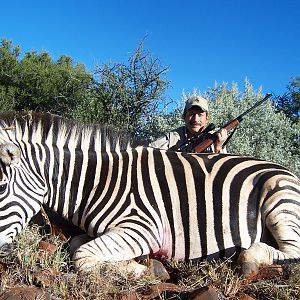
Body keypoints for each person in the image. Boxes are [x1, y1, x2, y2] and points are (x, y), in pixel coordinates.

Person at [149, 95, 228, 153]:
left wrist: (218, 148)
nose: (195, 119)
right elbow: (149, 151)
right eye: (191, 114)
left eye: (200, 115)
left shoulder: (216, 138)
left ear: (207, 118)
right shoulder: (172, 137)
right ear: (184, 116)